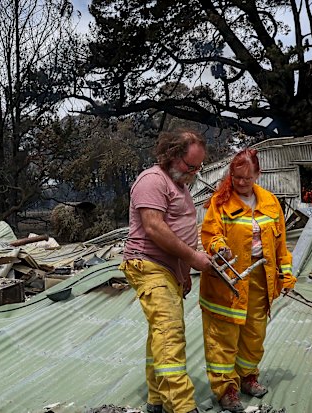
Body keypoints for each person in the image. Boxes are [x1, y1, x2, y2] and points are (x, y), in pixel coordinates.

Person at [119, 129, 213, 413]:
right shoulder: (151, 181)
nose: (195, 172)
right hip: (148, 265)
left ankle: (157, 399)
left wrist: (183, 272)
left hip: (168, 270)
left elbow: (180, 233)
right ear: (172, 156)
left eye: (199, 167)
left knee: (159, 335)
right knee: (170, 334)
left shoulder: (179, 185)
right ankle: (181, 407)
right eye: (190, 166)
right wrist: (194, 259)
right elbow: (155, 228)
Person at [199, 148, 296, 412]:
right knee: (224, 337)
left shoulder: (270, 202)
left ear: (258, 174)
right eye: (236, 177)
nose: (241, 183)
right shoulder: (220, 203)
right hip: (226, 282)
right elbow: (209, 234)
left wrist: (285, 274)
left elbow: (281, 246)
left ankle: (247, 376)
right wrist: (219, 247)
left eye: (247, 178)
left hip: (260, 278)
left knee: (254, 333)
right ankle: (225, 389)